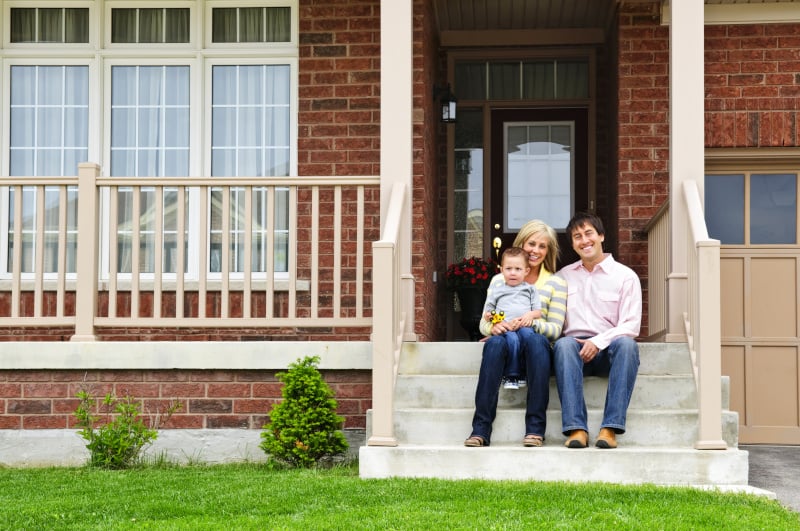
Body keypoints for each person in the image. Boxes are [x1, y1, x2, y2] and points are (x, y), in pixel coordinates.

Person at [464, 220, 567, 448]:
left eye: (542, 246)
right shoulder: (500, 279)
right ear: (522, 242)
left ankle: (534, 430)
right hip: (505, 344)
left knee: (538, 342)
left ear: (548, 251)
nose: (535, 250)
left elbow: (556, 329)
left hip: (535, 351)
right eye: (531, 243)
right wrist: (495, 327)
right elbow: (486, 321)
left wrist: (530, 322)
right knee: (493, 344)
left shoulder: (556, 283)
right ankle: (480, 430)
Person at [553, 212, 642, 449]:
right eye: (577, 236)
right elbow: (550, 318)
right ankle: (576, 429)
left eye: (589, 233)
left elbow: (631, 325)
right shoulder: (562, 277)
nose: (584, 240)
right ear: (572, 244)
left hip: (609, 350)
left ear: (601, 236)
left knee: (627, 344)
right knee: (563, 345)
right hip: (573, 352)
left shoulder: (625, 277)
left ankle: (609, 428)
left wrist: (598, 342)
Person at [480, 246, 542, 390]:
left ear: (526, 271)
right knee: (513, 340)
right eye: (508, 269)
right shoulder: (497, 289)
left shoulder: (530, 289)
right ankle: (512, 375)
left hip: (524, 326)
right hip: (506, 327)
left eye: (518, 269)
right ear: (502, 270)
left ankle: (525, 372)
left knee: (529, 338)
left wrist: (529, 315)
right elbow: (487, 313)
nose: (513, 273)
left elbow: (538, 312)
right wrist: (496, 320)